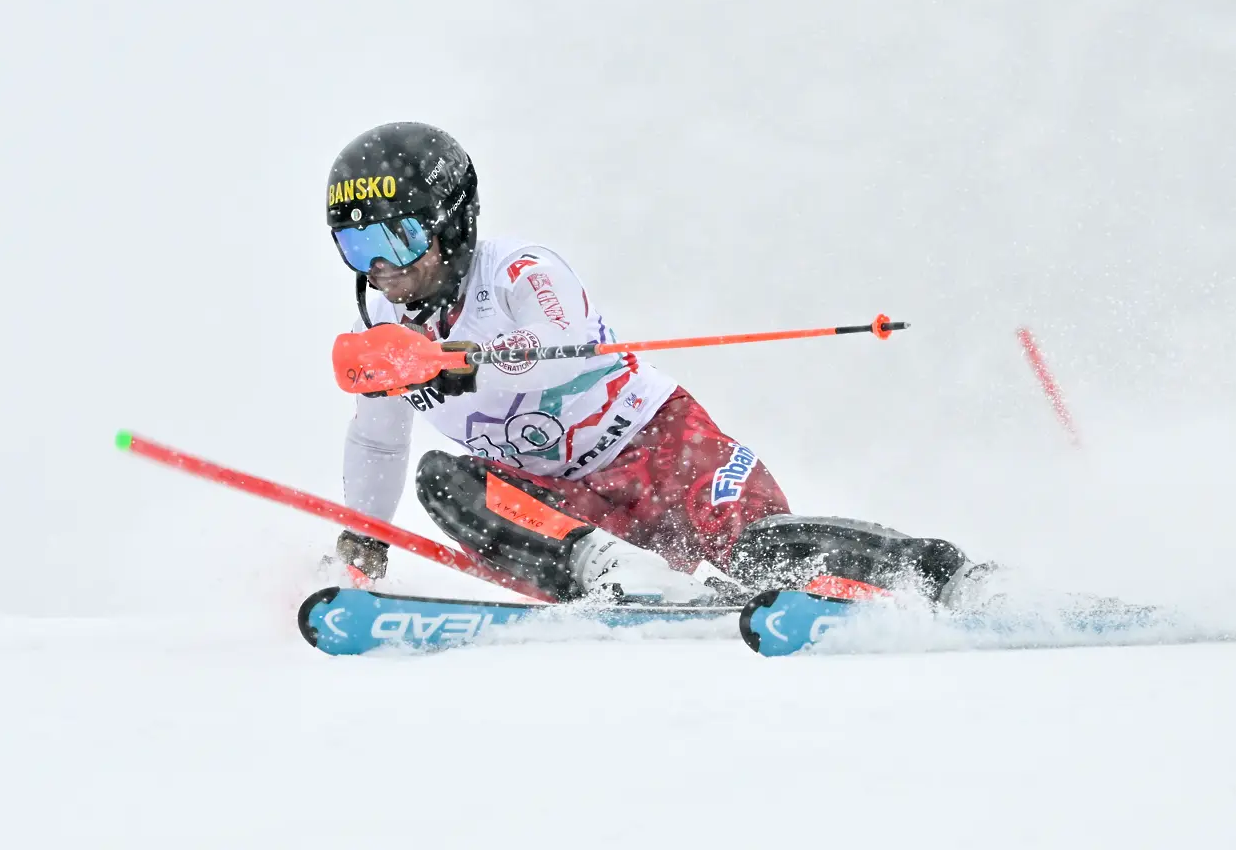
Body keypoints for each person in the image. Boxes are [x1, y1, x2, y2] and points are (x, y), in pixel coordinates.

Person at [329, 121, 989, 606]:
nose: (380, 267)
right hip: (564, 511)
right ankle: (613, 571)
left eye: (397, 237)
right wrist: (365, 537)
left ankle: (949, 578)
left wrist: (464, 361)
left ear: (452, 222)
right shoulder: (382, 333)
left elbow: (563, 346)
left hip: (661, 453)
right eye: (356, 246)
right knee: (441, 479)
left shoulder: (519, 270)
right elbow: (377, 441)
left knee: (757, 550)